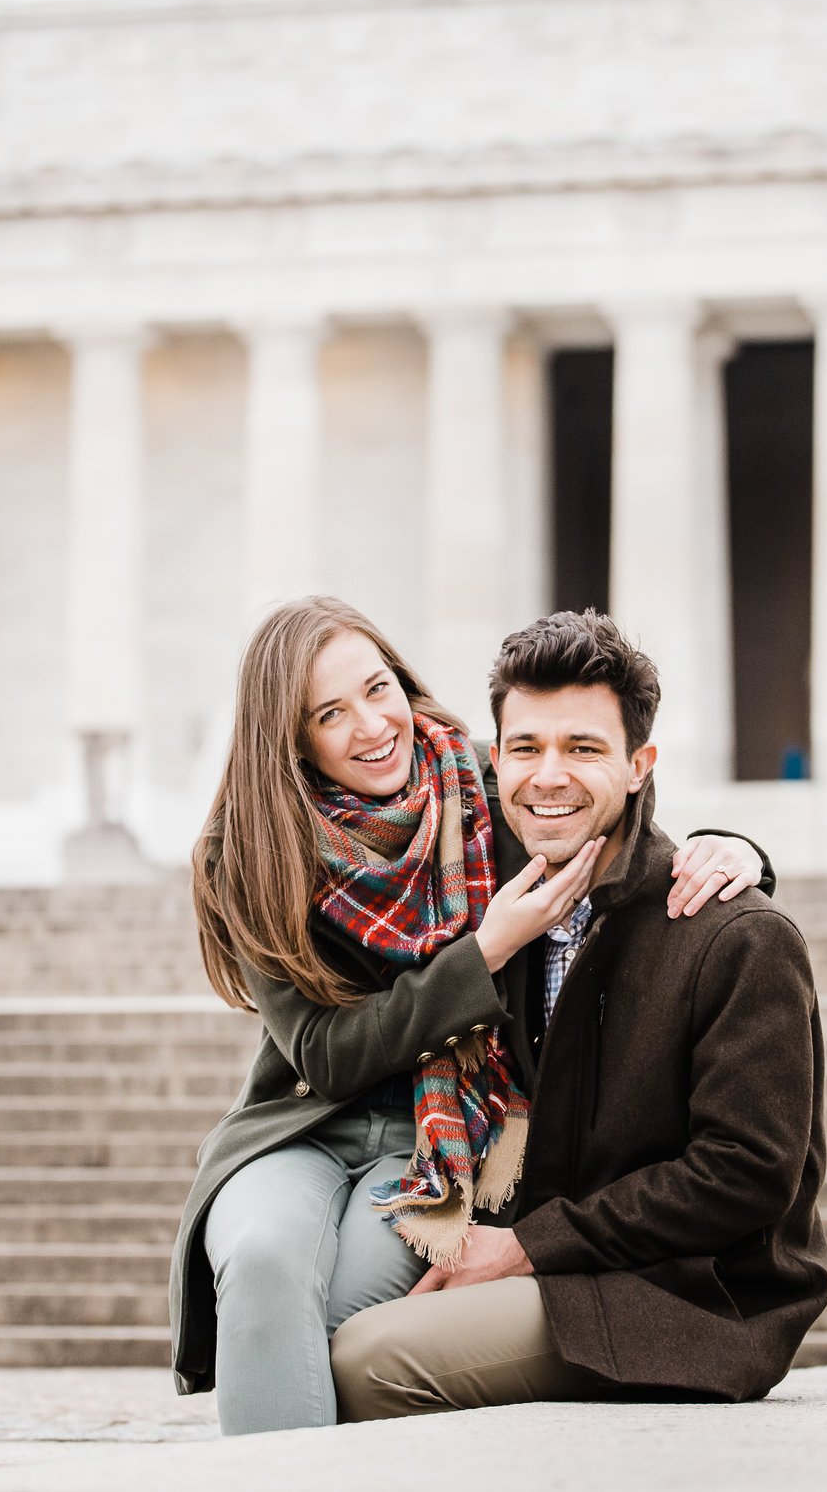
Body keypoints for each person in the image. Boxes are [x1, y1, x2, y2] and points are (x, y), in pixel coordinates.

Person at [168, 597, 770, 1434]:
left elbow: (597, 795)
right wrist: (482, 953)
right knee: (264, 1261)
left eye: (379, 689)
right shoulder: (251, 849)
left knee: (351, 1329)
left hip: (443, 1138)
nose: (372, 725)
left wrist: (737, 849)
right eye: (329, 714)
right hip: (305, 1126)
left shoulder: (479, 784)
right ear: (290, 737)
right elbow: (327, 1056)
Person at [328, 610, 827, 1420]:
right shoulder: (500, 913)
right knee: (324, 1314)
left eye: (583, 748)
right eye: (525, 748)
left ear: (640, 765)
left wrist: (525, 1248)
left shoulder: (739, 937)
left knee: (364, 1362)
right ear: (496, 761)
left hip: (682, 1299)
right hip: (559, 1264)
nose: (548, 775)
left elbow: (745, 1173)